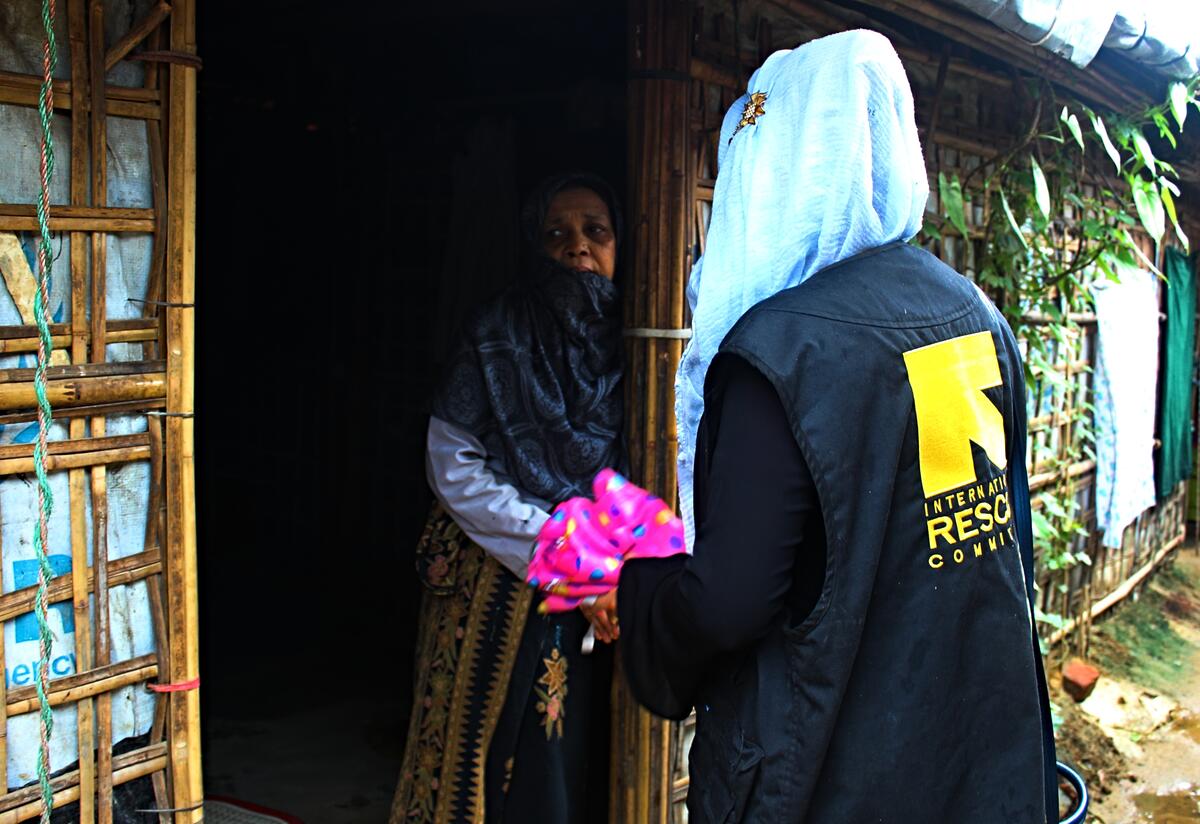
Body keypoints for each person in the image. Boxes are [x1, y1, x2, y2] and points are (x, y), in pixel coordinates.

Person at [606, 31, 1058, 823]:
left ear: (779, 171)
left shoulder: (782, 352)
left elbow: (727, 603)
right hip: (971, 752)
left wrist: (641, 589)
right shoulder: (973, 315)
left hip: (830, 769)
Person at [391, 173, 624, 824]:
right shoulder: (499, 332)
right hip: (498, 583)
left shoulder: (638, 341)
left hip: (610, 586)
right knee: (503, 770)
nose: (578, 248)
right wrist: (569, 553)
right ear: (532, 248)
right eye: (557, 234)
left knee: (588, 759)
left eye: (595, 232)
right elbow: (452, 462)